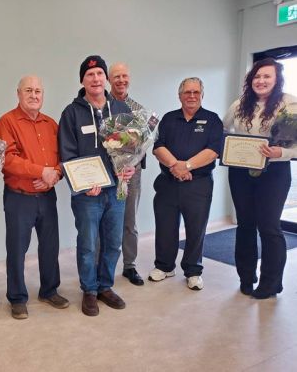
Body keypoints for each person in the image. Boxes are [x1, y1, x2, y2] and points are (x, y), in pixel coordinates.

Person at [58, 55, 135, 317]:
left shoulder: (122, 110)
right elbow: (67, 154)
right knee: (89, 243)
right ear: (82, 80)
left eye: (100, 74)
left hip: (117, 190)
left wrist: (132, 164)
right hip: (88, 193)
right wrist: (82, 184)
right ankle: (89, 290)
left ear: (106, 79)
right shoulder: (72, 113)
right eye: (90, 75)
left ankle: (105, 286)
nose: (95, 79)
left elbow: (135, 146)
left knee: (113, 242)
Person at [0, 75, 69, 320]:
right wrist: (41, 171)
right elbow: (8, 159)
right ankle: (17, 298)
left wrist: (55, 174)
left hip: (47, 196)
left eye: (38, 91)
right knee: (17, 249)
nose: (34, 95)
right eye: (29, 90)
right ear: (18, 93)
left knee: (50, 246)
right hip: (20, 198)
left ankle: (49, 290)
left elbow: (62, 157)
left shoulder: (51, 124)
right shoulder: (7, 121)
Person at [223, 58, 297, 299]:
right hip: (241, 172)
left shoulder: (290, 105)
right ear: (250, 80)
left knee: (269, 227)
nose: (261, 81)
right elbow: (222, 131)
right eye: (257, 77)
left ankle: (271, 283)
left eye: (267, 77)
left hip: (274, 173)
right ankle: (246, 277)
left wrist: (281, 152)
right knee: (245, 225)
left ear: (277, 80)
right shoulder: (240, 104)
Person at [149, 77, 223, 290]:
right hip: (168, 182)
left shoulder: (212, 120)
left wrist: (187, 166)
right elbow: (157, 146)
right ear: (179, 95)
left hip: (198, 185)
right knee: (165, 226)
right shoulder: (169, 119)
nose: (192, 96)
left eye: (196, 92)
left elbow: (213, 151)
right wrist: (175, 166)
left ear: (202, 95)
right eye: (187, 92)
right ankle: (164, 266)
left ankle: (193, 271)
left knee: (196, 228)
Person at [108, 61, 145, 286]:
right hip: (108, 172)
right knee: (105, 220)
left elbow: (144, 142)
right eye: (116, 77)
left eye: (124, 76)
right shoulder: (103, 106)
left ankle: (129, 266)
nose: (121, 81)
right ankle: (101, 266)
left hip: (132, 172)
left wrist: (133, 161)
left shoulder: (138, 109)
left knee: (129, 220)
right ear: (109, 80)